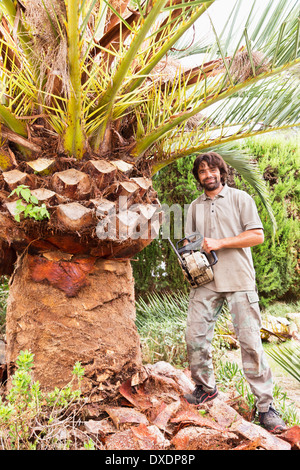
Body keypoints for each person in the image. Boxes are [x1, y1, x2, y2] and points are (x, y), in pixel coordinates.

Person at [183, 152, 286, 432]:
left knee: (250, 343)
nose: (208, 175)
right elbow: (192, 244)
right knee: (195, 337)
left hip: (239, 280)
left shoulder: (241, 199)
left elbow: (257, 235)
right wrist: (187, 257)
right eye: (202, 171)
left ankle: (266, 408)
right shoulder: (194, 207)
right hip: (205, 282)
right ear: (198, 177)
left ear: (222, 172)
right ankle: (206, 388)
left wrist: (220, 242)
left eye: (212, 169)